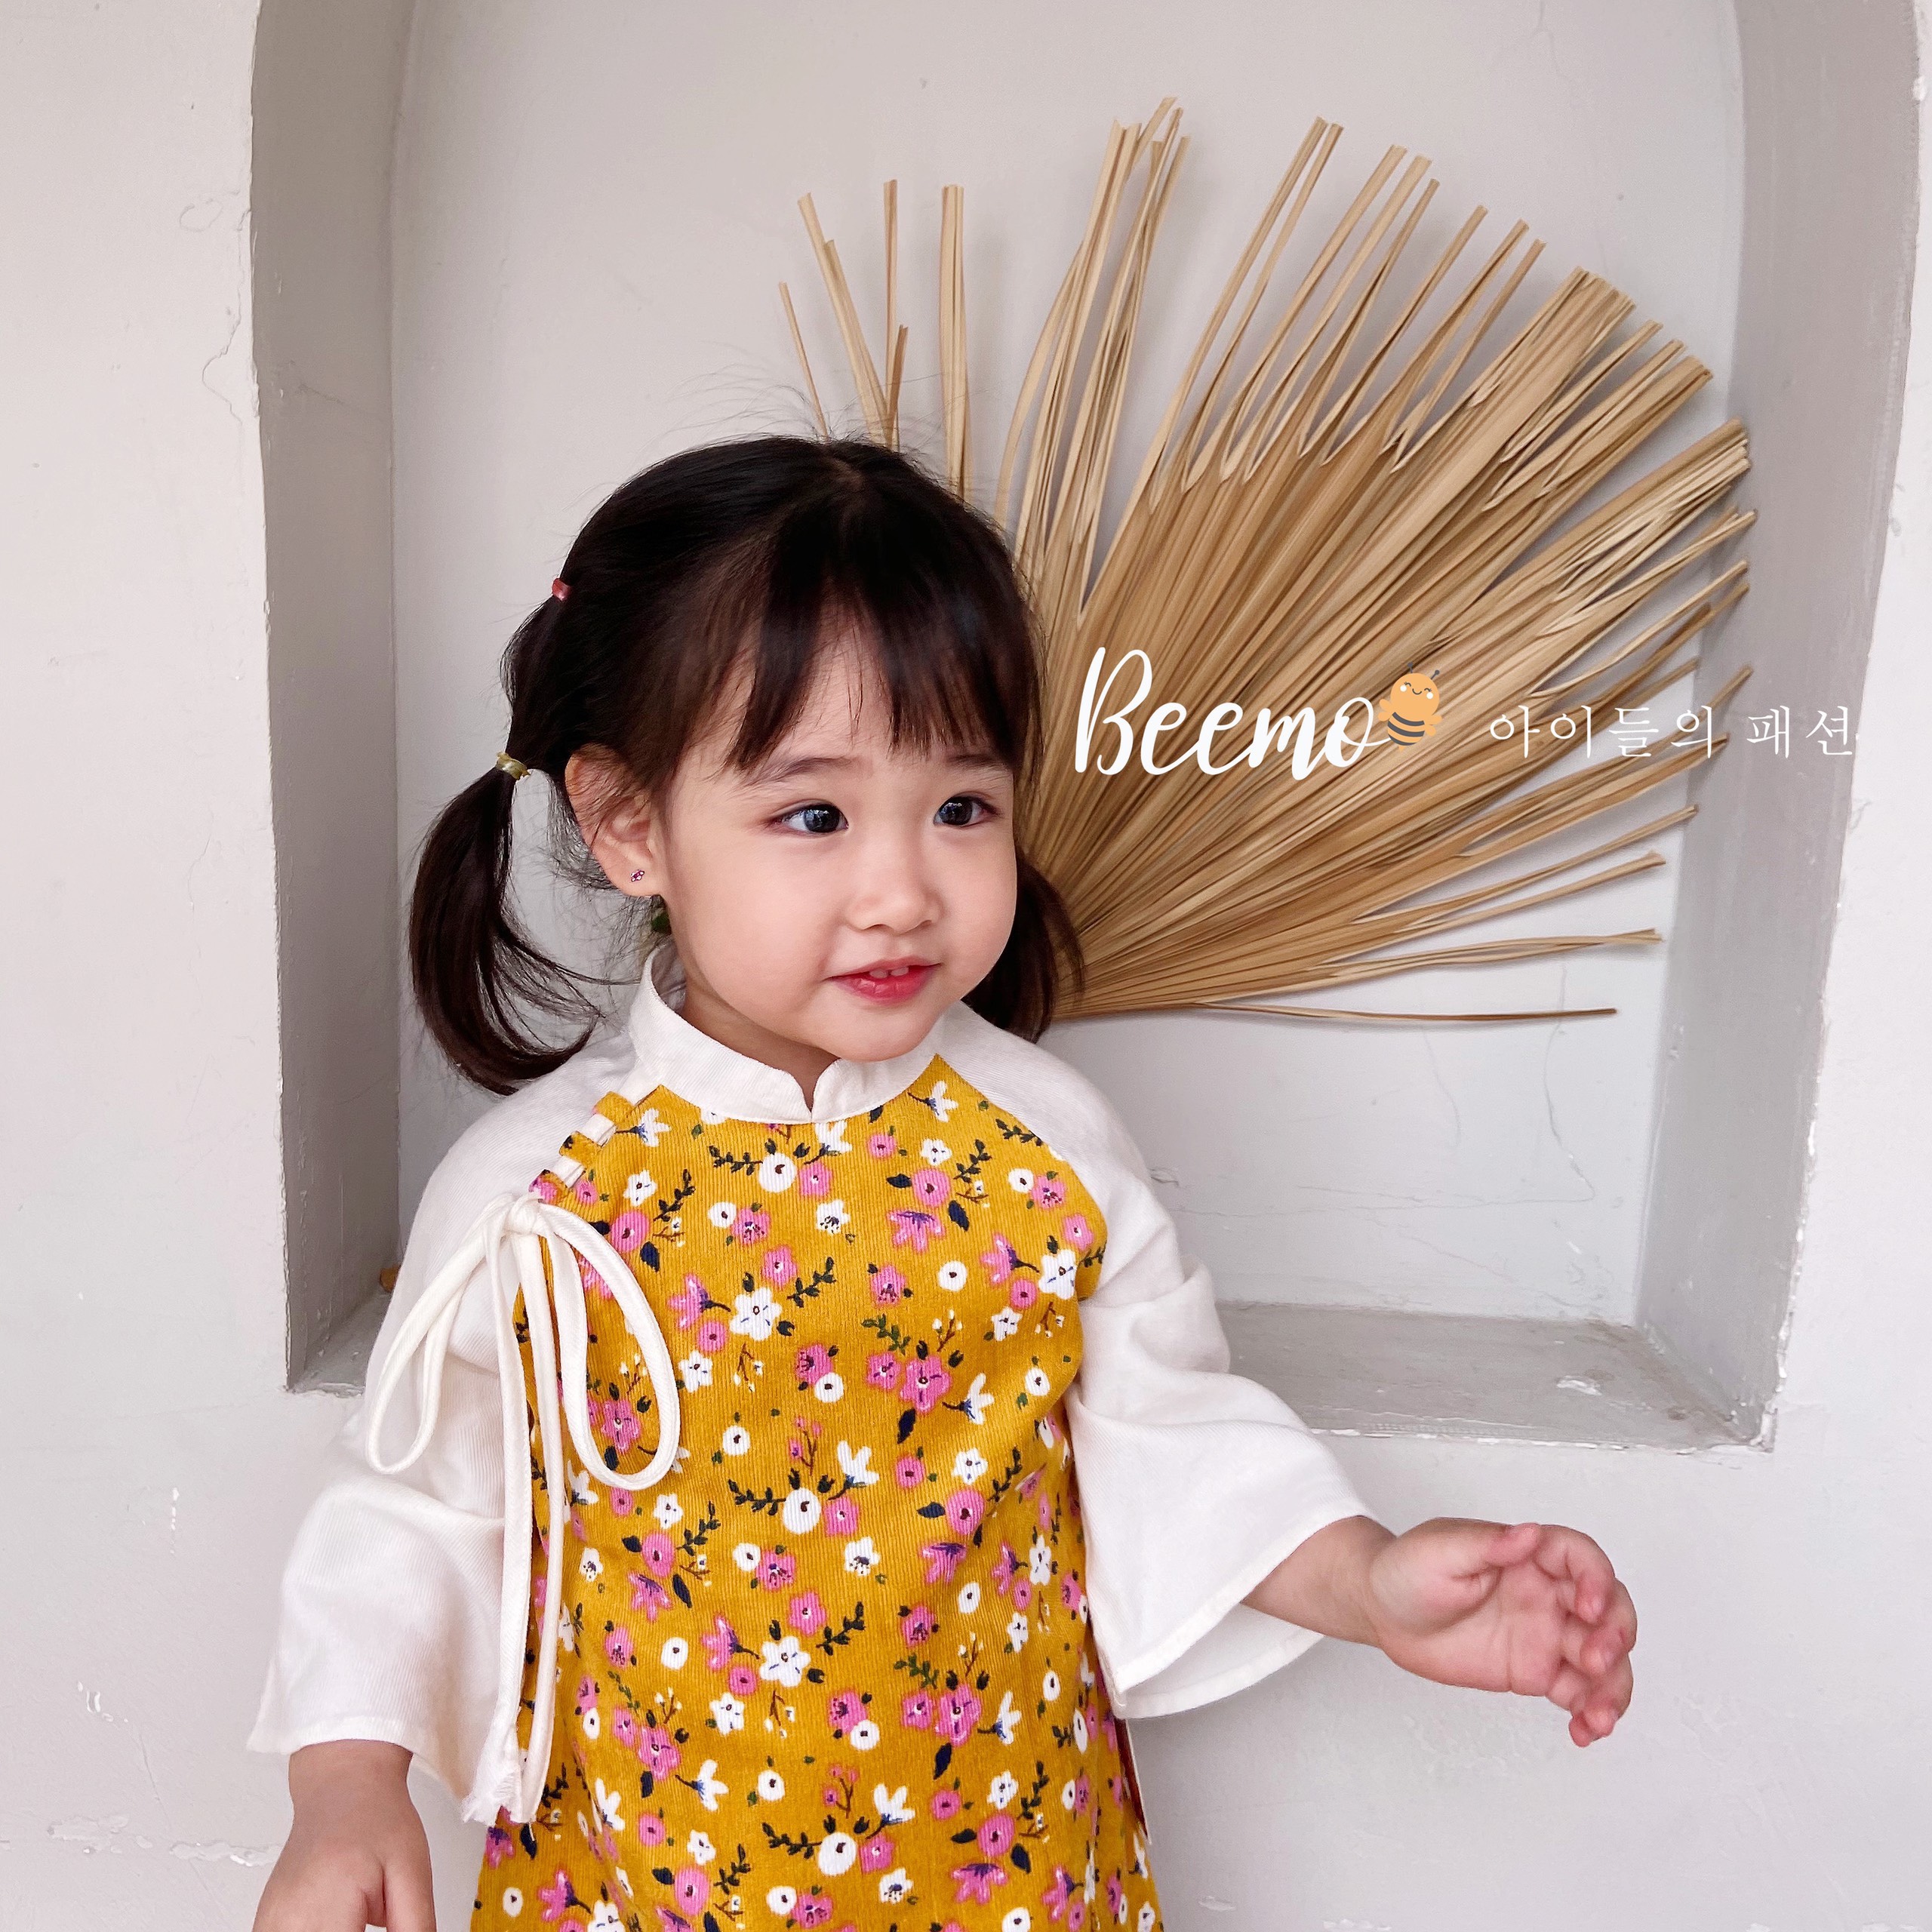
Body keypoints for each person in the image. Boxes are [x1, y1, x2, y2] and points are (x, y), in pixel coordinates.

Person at [250, 437, 1637, 1932]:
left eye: (962, 806)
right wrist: (345, 1786)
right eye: (815, 816)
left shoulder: (1046, 1148)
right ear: (630, 824)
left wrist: (1371, 1580)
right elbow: (418, 1503)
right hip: (640, 1878)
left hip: (1011, 1870)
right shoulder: (538, 1195)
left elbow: (1173, 1435)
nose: (904, 890)